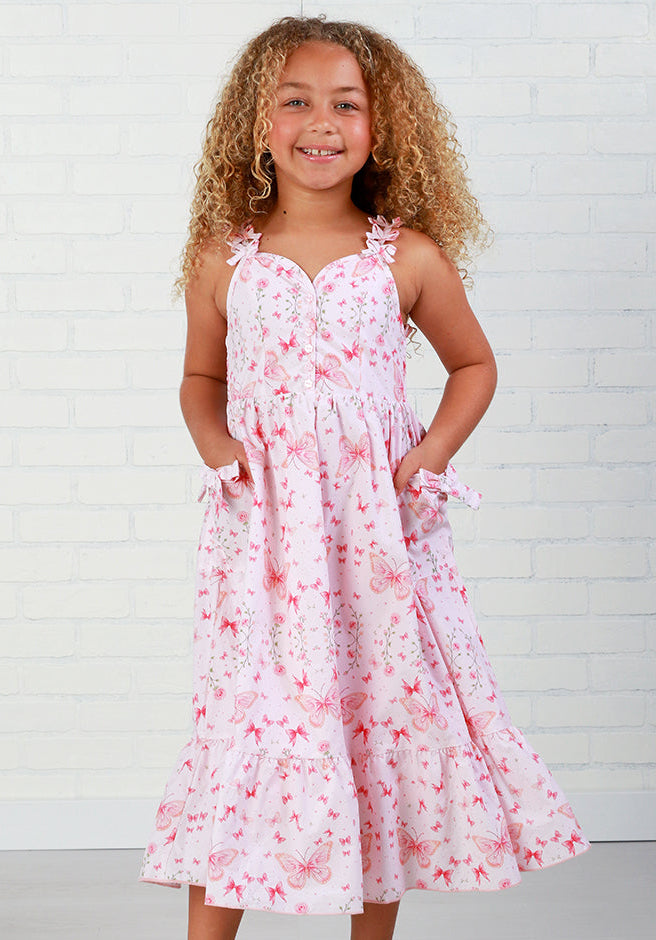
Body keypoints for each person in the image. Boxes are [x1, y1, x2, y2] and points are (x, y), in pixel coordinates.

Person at [139, 15, 590, 940]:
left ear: (383, 130)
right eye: (296, 101)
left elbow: (475, 366)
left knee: (376, 717)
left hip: (378, 537)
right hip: (264, 542)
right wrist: (218, 448)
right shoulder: (226, 259)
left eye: (348, 104)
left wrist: (429, 456)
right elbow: (200, 379)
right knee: (249, 723)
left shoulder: (408, 258)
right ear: (256, 126)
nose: (322, 122)